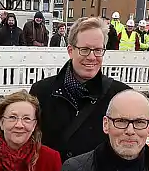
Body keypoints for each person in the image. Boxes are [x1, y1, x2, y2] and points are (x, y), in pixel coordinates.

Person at [29, 18, 131, 163]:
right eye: (84, 50)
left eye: (98, 50)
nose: (91, 57)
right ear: (70, 51)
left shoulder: (121, 95)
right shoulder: (41, 92)